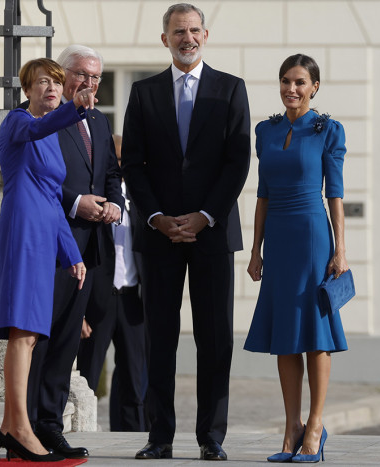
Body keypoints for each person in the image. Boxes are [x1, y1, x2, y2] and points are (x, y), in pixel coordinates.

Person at [122, 3, 250, 461]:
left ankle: (211, 436)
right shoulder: (143, 92)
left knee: (215, 339)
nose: (187, 38)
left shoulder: (231, 89)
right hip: (158, 236)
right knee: (159, 339)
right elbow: (132, 164)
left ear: (206, 35)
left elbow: (238, 161)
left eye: (194, 30)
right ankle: (160, 437)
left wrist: (205, 216)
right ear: (165, 39)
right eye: (179, 31)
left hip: (212, 235)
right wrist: (156, 217)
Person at [244, 54, 349, 463]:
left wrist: (341, 249)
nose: (292, 88)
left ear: (315, 87)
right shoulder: (265, 131)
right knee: (285, 336)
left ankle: (316, 425)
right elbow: (262, 196)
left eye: (300, 82)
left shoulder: (328, 130)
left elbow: (335, 195)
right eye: (286, 81)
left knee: (314, 334)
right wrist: (255, 250)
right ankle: (291, 427)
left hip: (312, 236)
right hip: (279, 239)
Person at [0, 57, 95, 462]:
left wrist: (73, 253)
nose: (50, 89)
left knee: (33, 332)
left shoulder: (53, 132)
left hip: (45, 233)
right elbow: (39, 127)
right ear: (27, 90)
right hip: (21, 231)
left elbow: (55, 198)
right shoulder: (18, 122)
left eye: (56, 83)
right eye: (42, 83)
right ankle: (19, 427)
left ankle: (8, 427)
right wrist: (77, 108)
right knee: (24, 330)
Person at [25, 45, 123, 459]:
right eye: (82, 74)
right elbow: (37, 174)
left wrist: (115, 203)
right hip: (51, 243)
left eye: (96, 77)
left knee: (68, 340)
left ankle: (51, 426)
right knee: (42, 337)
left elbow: (112, 172)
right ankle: (26, 426)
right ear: (62, 75)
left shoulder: (98, 120)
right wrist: (76, 201)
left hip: (92, 245)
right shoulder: (43, 118)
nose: (89, 83)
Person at [77, 134, 149, 432]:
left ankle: (132, 440)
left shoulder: (142, 199)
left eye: (124, 161)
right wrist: (77, 310)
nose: (120, 167)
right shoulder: (93, 200)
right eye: (115, 161)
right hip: (98, 301)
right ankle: (80, 433)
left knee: (136, 380)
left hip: (133, 299)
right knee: (88, 377)